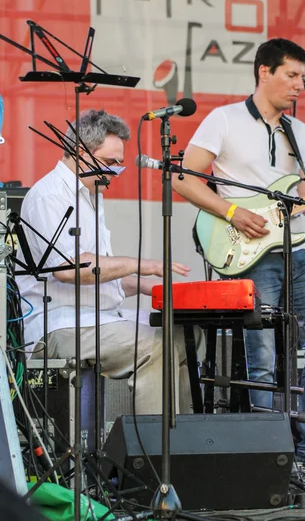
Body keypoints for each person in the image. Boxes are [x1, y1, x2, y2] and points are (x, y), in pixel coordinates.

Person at [172, 38, 305, 464]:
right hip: (248, 253)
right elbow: (182, 179)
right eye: (291, 75)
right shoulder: (223, 120)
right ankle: (266, 460)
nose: (299, 85)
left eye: (303, 77)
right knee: (260, 360)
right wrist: (234, 211)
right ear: (264, 71)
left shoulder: (299, 131)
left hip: (295, 251)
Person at [17, 109, 202, 414]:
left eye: (120, 163)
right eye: (110, 162)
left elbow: (102, 276)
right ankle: (154, 455)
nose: (117, 170)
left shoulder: (91, 196)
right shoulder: (49, 196)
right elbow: (70, 270)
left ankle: (181, 439)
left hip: (96, 317)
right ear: (80, 152)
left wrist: (153, 288)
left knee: (186, 335)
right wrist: (143, 264)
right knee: (155, 346)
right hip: (58, 326)